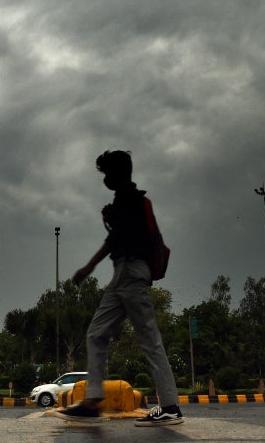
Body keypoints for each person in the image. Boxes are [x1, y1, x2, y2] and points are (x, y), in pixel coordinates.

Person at [55, 150, 184, 427]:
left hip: (130, 271)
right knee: (96, 333)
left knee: (149, 338)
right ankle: (92, 401)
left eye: (107, 174)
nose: (105, 179)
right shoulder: (126, 200)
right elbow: (118, 236)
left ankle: (171, 406)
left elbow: (115, 240)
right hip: (122, 274)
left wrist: (88, 267)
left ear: (118, 174)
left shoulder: (129, 200)